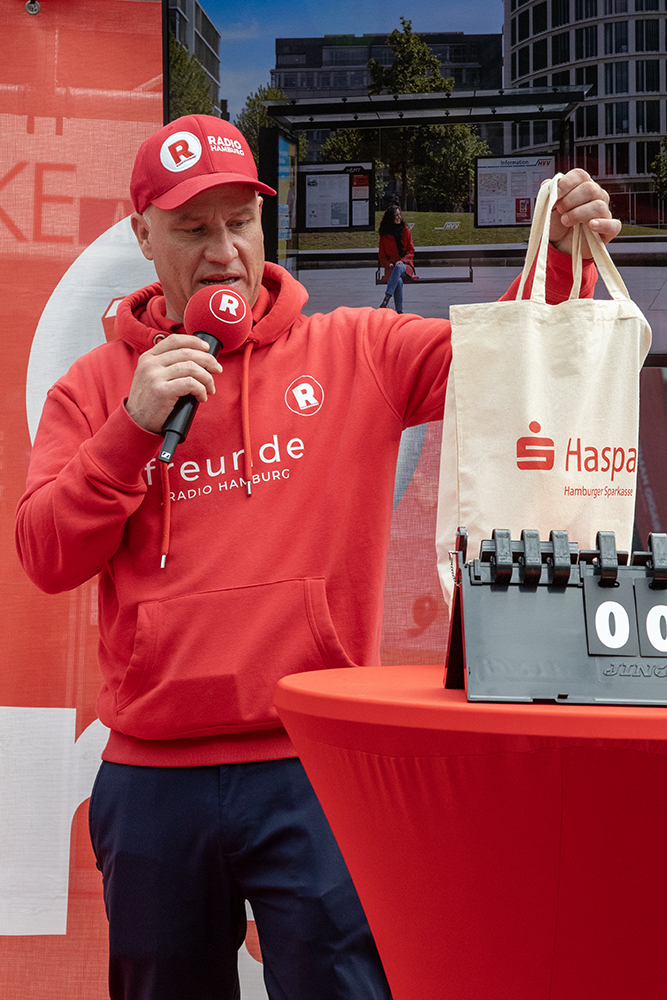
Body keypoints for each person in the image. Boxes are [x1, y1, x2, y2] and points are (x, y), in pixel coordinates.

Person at [15, 114, 621, 1000]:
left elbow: (509, 358)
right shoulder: (95, 389)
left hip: (317, 766)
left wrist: (559, 259)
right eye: (191, 228)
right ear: (142, 235)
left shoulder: (355, 348)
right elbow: (45, 555)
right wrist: (132, 430)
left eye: (239, 222)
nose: (222, 251)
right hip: (152, 779)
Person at [378, 203, 416, 313]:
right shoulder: (384, 235)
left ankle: (386, 298)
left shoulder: (404, 230)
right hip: (391, 269)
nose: (399, 217)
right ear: (390, 218)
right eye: (396, 215)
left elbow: (411, 250)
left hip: (405, 266)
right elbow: (382, 256)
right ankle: (399, 312)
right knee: (398, 280)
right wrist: (388, 264)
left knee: (399, 268)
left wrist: (402, 261)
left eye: (399, 215)